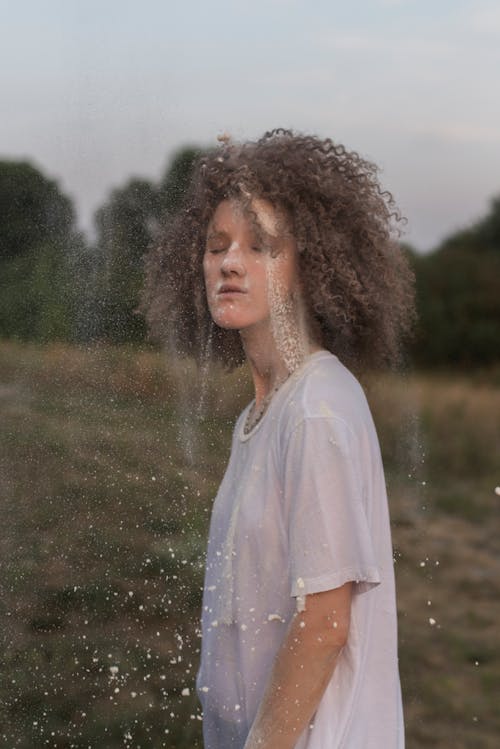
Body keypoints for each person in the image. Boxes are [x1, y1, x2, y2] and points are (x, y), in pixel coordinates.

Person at [140, 129, 415, 748]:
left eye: (261, 245)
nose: (230, 262)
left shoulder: (317, 410)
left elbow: (324, 624)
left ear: (308, 265)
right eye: (217, 247)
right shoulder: (262, 415)